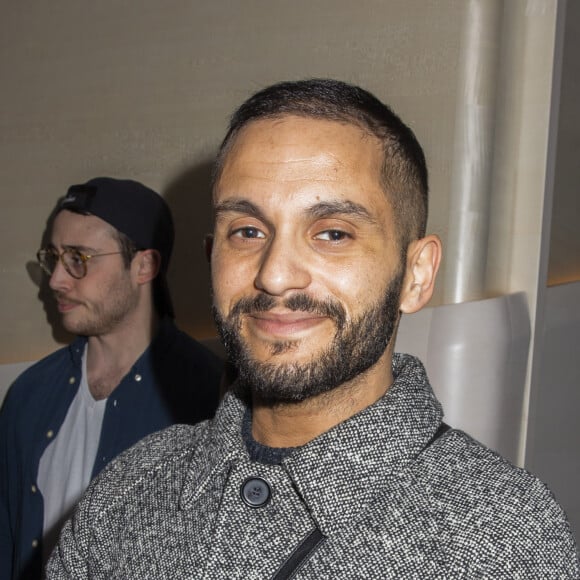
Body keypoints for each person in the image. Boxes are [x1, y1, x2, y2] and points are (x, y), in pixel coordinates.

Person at [47, 82, 578, 579]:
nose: (275, 273)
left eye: (332, 233)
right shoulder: (130, 487)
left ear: (415, 276)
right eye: (248, 231)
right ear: (212, 258)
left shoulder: (501, 539)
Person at [0, 177, 223, 580]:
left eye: (79, 259)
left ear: (144, 266)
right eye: (54, 257)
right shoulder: (28, 397)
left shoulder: (209, 400)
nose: (55, 280)